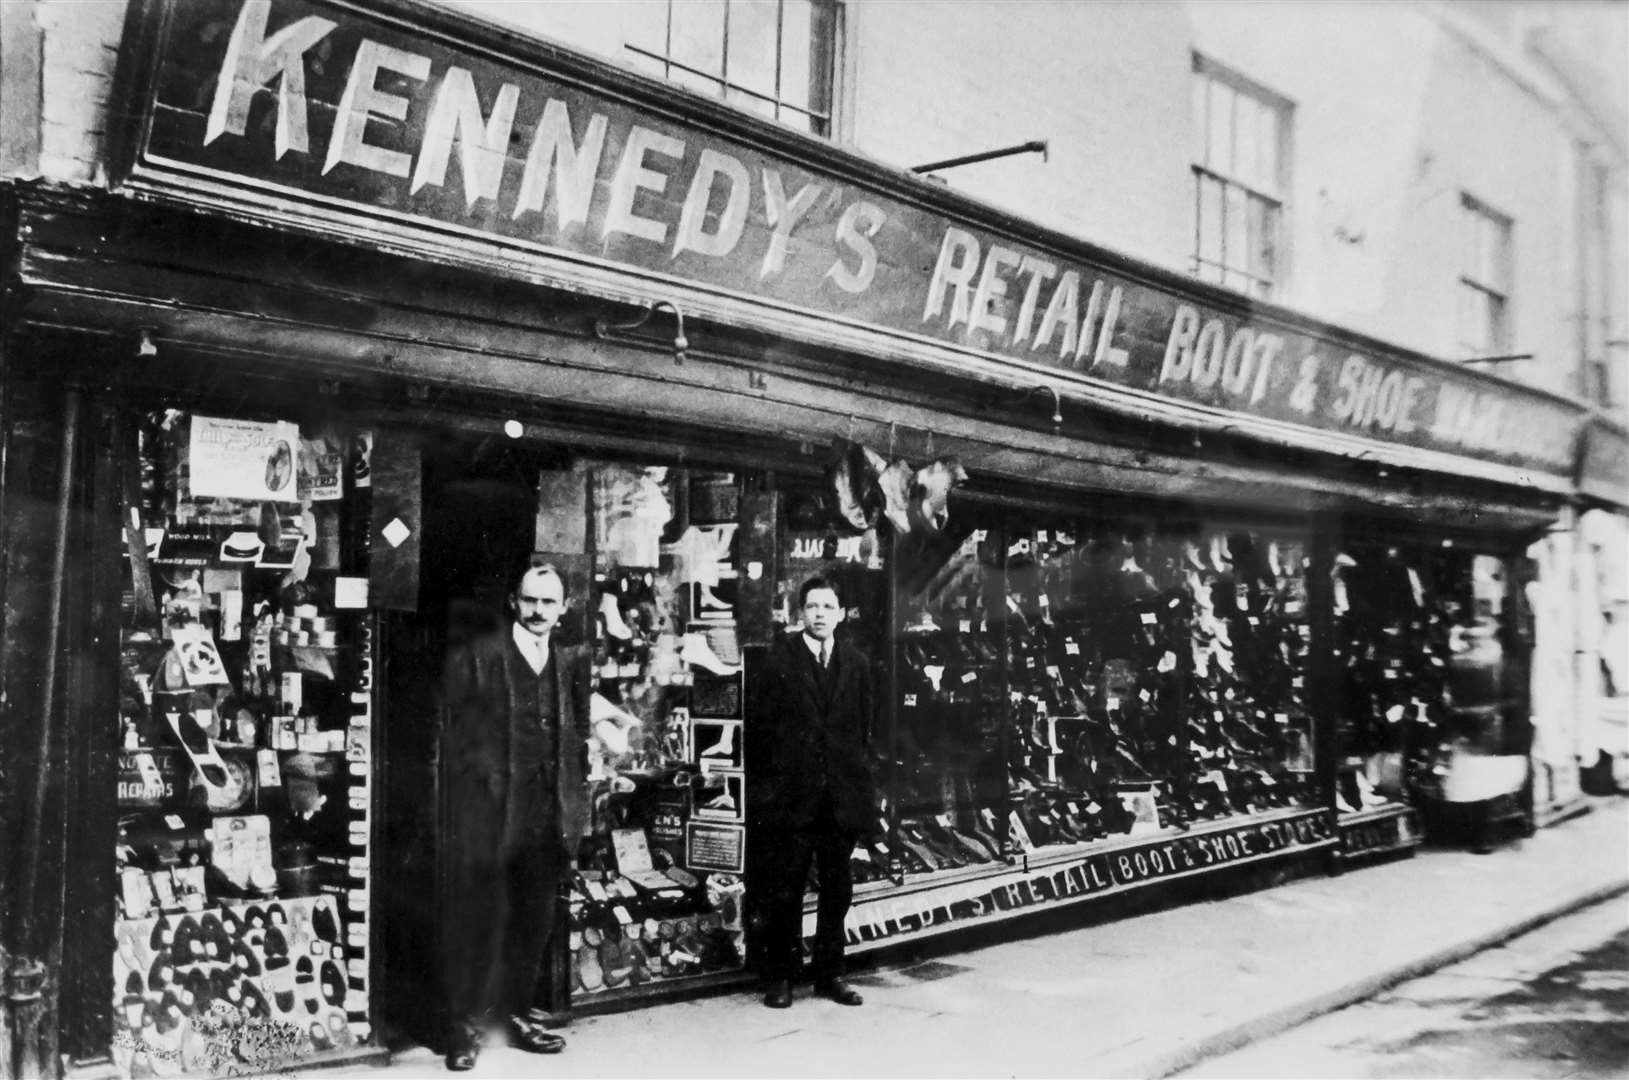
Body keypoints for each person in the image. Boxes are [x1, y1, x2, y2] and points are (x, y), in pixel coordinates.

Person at [438, 563, 590, 1070]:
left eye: (549, 602)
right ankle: (462, 1028)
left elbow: (575, 739)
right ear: (513, 602)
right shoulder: (478, 658)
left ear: (563, 608)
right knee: (477, 921)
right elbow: (450, 741)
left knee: (533, 920)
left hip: (547, 811)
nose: (539, 611)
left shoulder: (569, 662)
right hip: (488, 815)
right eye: (530, 601)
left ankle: (518, 1013)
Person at [746, 576, 879, 1009]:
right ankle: (782, 977)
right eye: (813, 606)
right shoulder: (778, 661)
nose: (820, 614)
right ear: (800, 613)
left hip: (840, 799)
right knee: (785, 889)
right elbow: (760, 732)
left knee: (837, 890)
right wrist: (767, 792)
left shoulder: (857, 663)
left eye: (828, 606)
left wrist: (861, 787)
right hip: (792, 799)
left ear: (841, 613)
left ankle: (829, 975)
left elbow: (864, 730)